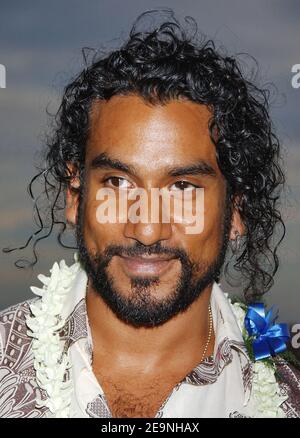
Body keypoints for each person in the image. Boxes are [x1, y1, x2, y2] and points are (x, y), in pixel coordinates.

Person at [1, 10, 299, 418]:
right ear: (75, 195)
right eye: (119, 182)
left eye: (182, 187)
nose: (145, 228)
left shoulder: (288, 399)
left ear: (236, 210)